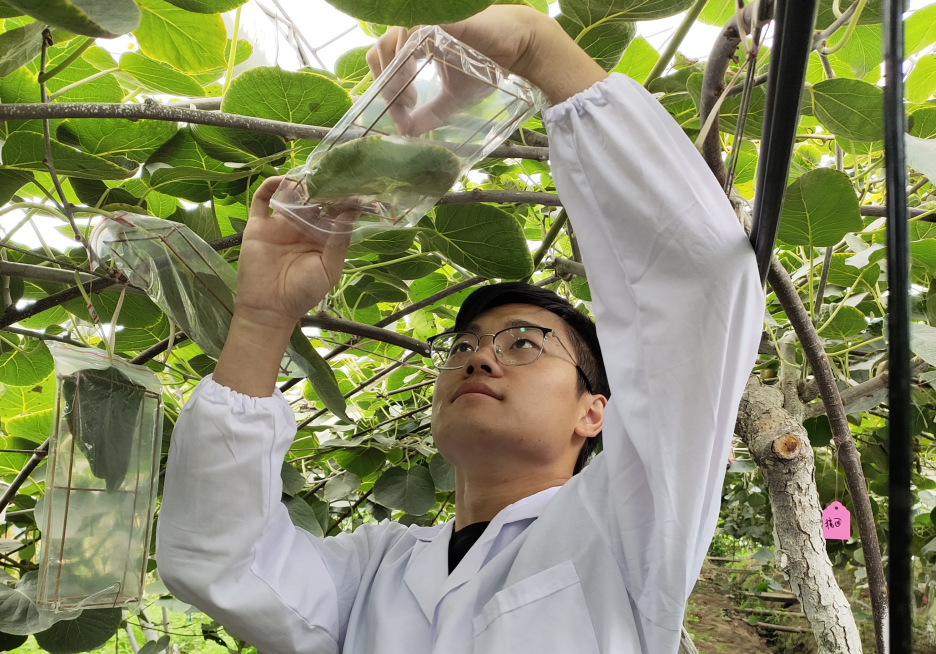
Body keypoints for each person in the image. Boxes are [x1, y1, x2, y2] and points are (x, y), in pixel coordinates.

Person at [155, 5, 764, 654]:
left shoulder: (627, 525)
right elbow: (220, 561)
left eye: (523, 344)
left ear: (594, 412)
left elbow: (698, 288)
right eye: (464, 345)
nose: (478, 359)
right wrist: (263, 315)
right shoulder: (371, 569)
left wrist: (537, 49)